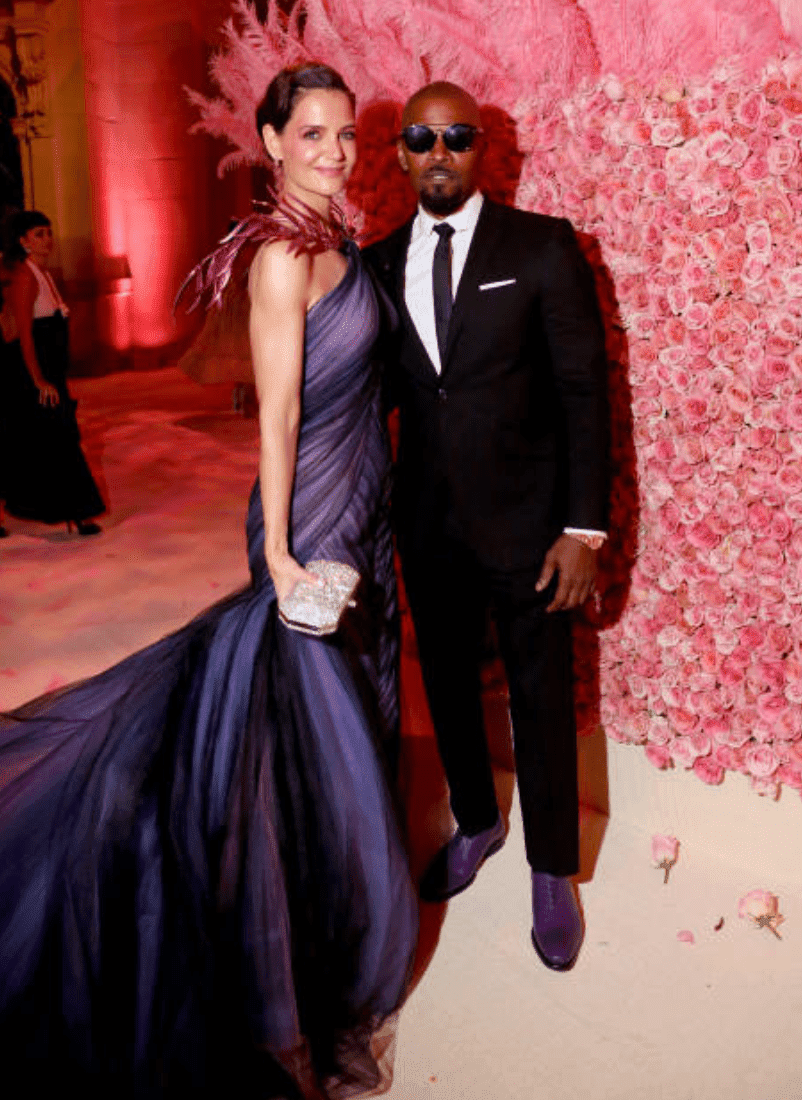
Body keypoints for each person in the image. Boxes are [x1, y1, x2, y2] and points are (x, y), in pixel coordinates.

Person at [0, 64, 417, 1098]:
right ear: (270, 140)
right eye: (309, 132)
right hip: (313, 518)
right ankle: (290, 970)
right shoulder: (283, 256)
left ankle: (313, 914)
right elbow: (276, 414)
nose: (331, 149)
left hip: (363, 506)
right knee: (314, 733)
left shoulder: (336, 236)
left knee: (325, 727)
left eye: (343, 133)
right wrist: (278, 553)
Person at [365, 82, 608, 971]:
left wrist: (584, 532)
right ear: (398, 153)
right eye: (421, 137)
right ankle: (476, 821)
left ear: (483, 150)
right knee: (454, 698)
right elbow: (375, 401)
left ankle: (553, 872)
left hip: (533, 531)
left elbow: (585, 392)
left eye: (457, 136)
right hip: (428, 530)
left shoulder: (541, 247)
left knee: (542, 701)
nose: (439, 151)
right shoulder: (377, 264)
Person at [0, 210, 104, 535]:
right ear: (23, 241)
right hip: (30, 373)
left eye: (48, 232)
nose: (48, 239)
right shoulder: (24, 276)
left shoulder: (41, 272)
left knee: (33, 441)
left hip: (47, 371)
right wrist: (38, 380)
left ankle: (76, 513)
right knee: (48, 439)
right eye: (39, 233)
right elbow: (24, 335)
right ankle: (79, 513)